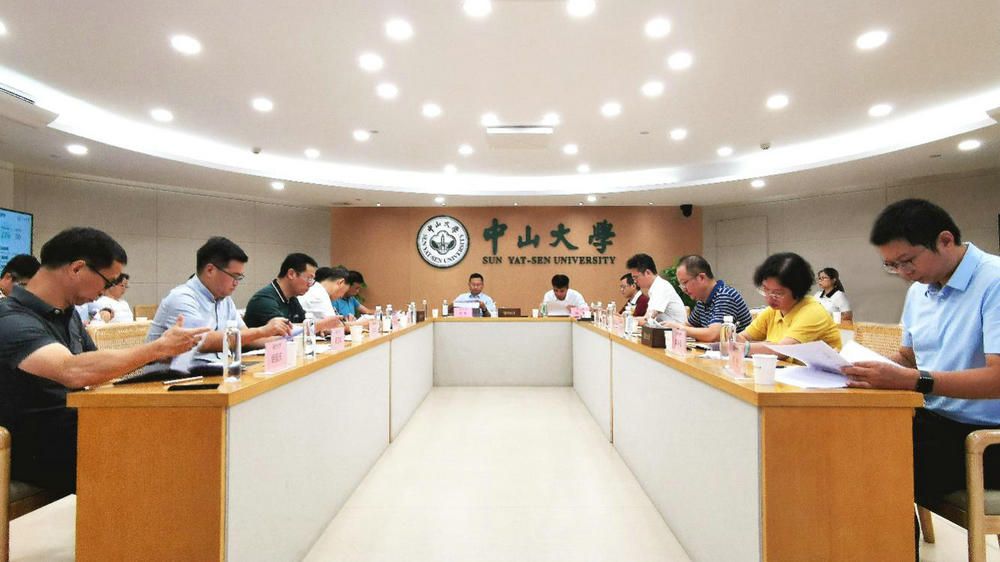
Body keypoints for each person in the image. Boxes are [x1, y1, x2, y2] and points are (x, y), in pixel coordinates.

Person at [0, 227, 208, 492]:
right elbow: (71, 370)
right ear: (77, 268)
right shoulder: (10, 319)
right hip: (40, 447)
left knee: (181, 431)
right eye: (107, 281)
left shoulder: (68, 315)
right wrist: (156, 349)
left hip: (84, 428)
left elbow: (96, 367)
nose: (106, 291)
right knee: (163, 457)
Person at [842, 199, 999, 515]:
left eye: (907, 261)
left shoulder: (993, 280)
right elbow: (909, 358)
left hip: (984, 437)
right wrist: (863, 367)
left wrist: (916, 381)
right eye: (892, 265)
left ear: (945, 240)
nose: (903, 273)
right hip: (932, 420)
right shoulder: (920, 290)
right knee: (843, 441)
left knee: (868, 467)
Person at [147, 237, 292, 365]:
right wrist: (263, 330)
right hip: (168, 380)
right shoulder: (182, 298)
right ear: (210, 270)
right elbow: (204, 341)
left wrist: (287, 341)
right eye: (234, 276)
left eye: (240, 277)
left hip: (210, 372)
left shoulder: (225, 300)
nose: (236, 283)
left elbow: (246, 337)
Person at [737, 252, 842, 355]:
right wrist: (730, 336)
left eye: (778, 293)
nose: (769, 297)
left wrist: (743, 347)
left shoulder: (813, 312)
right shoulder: (772, 311)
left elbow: (783, 351)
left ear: (798, 291)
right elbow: (743, 337)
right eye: (765, 289)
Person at [244, 253, 342, 332]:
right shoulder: (265, 299)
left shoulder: (292, 299)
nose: (310, 284)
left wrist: (319, 329)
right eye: (309, 278)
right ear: (291, 274)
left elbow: (302, 324)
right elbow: (284, 331)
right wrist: (318, 326)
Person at [665, 255, 752, 343]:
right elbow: (689, 326)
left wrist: (679, 328)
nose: (684, 289)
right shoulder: (702, 301)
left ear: (701, 278)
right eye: (681, 285)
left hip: (740, 350)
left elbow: (714, 335)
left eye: (684, 283)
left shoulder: (725, 295)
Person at [626, 253, 686, 325]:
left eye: (636, 277)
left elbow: (648, 319)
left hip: (676, 331)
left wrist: (625, 320)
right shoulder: (656, 287)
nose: (635, 281)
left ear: (647, 273)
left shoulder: (661, 287)